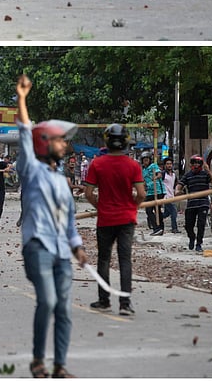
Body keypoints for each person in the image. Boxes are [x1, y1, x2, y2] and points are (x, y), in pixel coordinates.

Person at [14, 74, 89, 379]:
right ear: (44, 143)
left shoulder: (62, 181)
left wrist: (78, 247)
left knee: (65, 309)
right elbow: (23, 132)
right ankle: (37, 360)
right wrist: (22, 98)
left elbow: (69, 222)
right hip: (38, 247)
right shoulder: (30, 169)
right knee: (47, 301)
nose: (64, 144)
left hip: (61, 251)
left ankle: (59, 365)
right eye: (59, 139)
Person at [82, 124, 145, 317]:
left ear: (106, 140)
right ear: (126, 140)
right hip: (127, 219)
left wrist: (99, 206)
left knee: (104, 259)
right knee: (125, 260)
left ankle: (104, 301)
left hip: (106, 218)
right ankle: (125, 304)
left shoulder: (97, 164)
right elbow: (141, 193)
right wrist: (132, 206)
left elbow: (88, 193)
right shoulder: (133, 165)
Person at [176, 154, 212, 253]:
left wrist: (208, 171)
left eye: (198, 163)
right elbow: (179, 186)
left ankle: (199, 244)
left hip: (203, 203)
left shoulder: (205, 174)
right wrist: (177, 191)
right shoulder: (187, 175)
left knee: (201, 224)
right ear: (191, 164)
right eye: (194, 163)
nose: (196, 165)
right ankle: (192, 237)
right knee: (189, 225)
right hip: (191, 203)